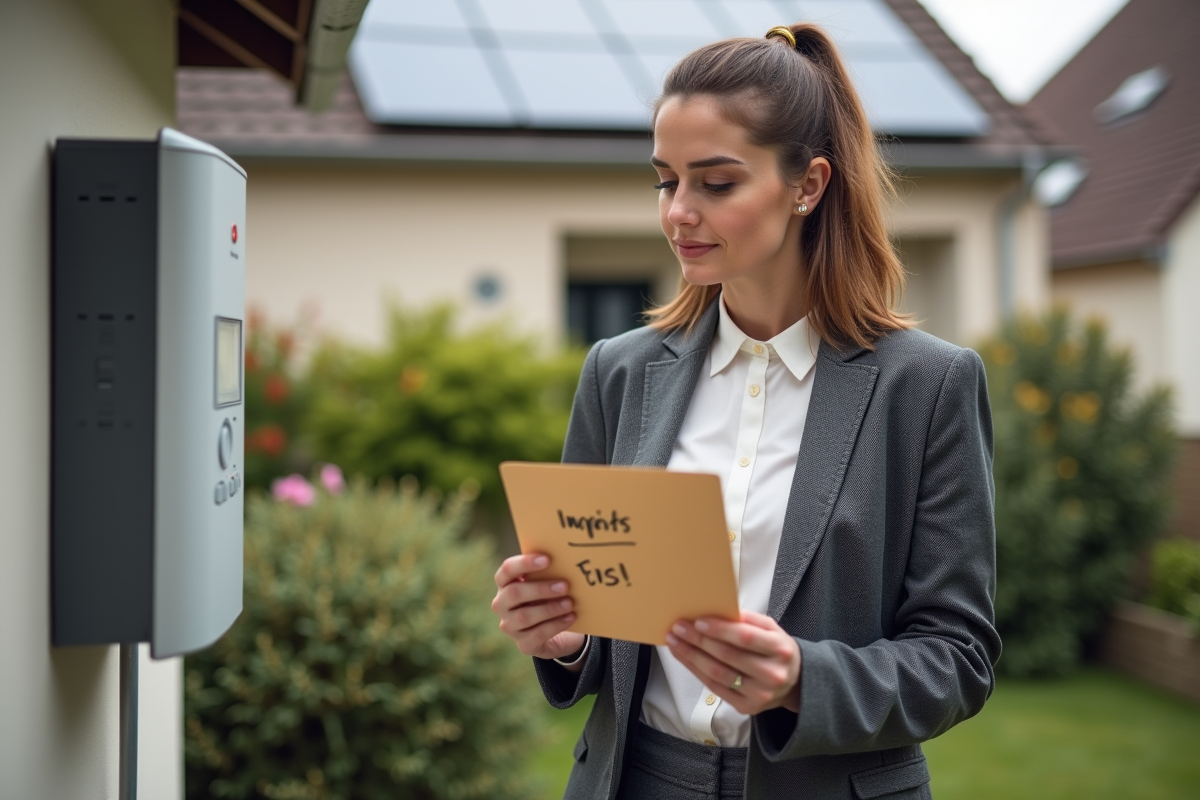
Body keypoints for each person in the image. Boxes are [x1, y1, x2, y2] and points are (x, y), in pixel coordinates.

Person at [491, 22, 998, 800]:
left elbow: (958, 658)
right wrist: (565, 640)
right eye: (666, 180)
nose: (678, 213)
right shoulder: (618, 374)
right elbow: (602, 624)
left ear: (809, 185)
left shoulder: (927, 388)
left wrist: (804, 678)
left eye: (715, 183)